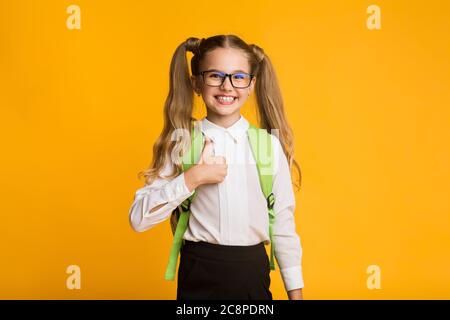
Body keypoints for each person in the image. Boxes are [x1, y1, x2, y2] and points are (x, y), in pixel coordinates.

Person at [129, 34, 304, 300]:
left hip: (252, 275)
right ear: (196, 83)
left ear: (251, 85)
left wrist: (296, 293)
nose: (227, 86)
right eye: (215, 75)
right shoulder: (181, 142)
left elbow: (282, 224)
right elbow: (138, 220)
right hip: (199, 272)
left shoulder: (269, 146)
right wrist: (191, 179)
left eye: (238, 77)